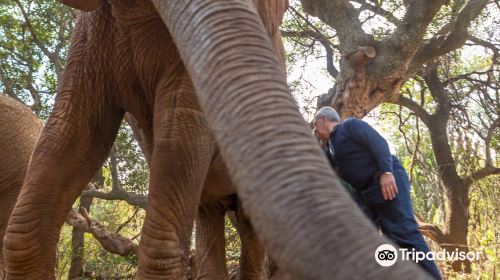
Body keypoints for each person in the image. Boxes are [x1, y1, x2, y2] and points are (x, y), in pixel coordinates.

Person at [313, 106, 441, 280]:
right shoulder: (330, 149)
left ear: (323, 119)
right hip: (366, 194)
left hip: (386, 180)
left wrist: (386, 172)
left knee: (405, 232)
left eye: (315, 124)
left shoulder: (349, 126)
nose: (315, 130)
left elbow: (379, 143)